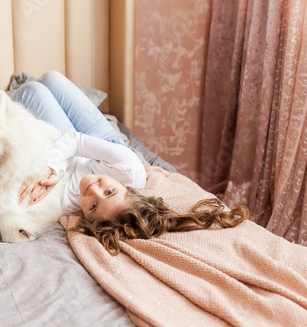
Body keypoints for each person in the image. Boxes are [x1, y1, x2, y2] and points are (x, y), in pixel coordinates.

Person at [13, 71, 250, 255]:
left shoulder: (68, 205)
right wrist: (52, 167)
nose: (92, 190)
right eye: (109, 191)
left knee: (32, 91)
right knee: (51, 79)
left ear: (88, 219)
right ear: (126, 187)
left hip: (74, 158)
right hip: (101, 145)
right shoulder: (129, 169)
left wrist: (52, 171)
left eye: (93, 205)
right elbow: (75, 141)